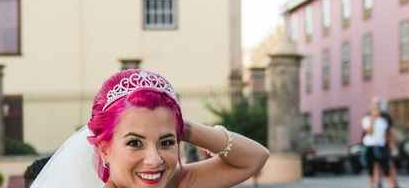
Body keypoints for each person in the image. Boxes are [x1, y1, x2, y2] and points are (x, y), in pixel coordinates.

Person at [31, 69, 269, 187]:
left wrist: (183, 127)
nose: (154, 160)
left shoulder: (176, 183)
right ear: (104, 149)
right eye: (135, 142)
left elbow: (255, 158)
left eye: (166, 142)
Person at [361, 98, 391, 188]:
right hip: (369, 145)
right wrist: (372, 120)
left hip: (380, 145)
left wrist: (389, 144)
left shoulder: (383, 120)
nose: (377, 111)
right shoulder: (366, 119)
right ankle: (372, 185)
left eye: (378, 109)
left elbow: (386, 133)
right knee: (370, 167)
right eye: (375, 109)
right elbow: (369, 132)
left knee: (380, 166)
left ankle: (379, 183)